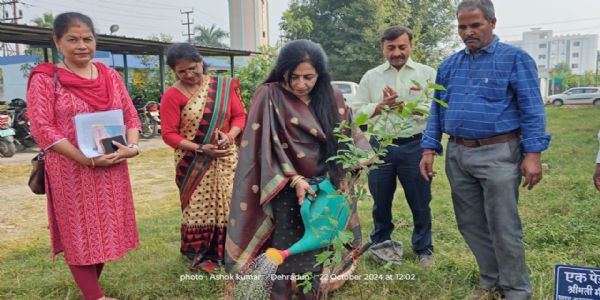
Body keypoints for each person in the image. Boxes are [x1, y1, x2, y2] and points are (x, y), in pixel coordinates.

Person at [419, 0, 551, 299]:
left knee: (504, 225)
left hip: (500, 153)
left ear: (492, 22)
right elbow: (436, 111)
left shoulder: (515, 59)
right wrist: (429, 149)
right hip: (457, 154)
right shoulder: (449, 65)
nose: (468, 32)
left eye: (475, 25)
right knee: (470, 224)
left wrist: (533, 154)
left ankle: (516, 289)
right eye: (462, 26)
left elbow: (532, 110)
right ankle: (490, 279)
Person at [225, 39, 370, 299]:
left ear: (320, 75)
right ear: (283, 72)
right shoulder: (269, 95)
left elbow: (350, 140)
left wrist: (357, 161)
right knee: (281, 253)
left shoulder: (333, 98)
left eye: (309, 77)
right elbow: (260, 147)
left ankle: (310, 295)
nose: (301, 84)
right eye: (294, 77)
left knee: (316, 248)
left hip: (323, 189)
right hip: (283, 188)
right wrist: (294, 179)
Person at [27, 12, 141, 300]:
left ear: (95, 41)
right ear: (57, 42)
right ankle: (95, 296)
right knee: (79, 233)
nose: (82, 45)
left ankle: (91, 290)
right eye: (73, 39)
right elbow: (42, 127)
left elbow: (131, 115)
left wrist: (132, 146)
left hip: (111, 166)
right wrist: (84, 158)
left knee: (103, 231)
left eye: (87, 39)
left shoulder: (110, 75)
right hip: (71, 169)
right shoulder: (46, 78)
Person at [349, 26, 436, 267]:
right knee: (381, 199)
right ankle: (381, 244)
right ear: (383, 49)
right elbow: (356, 114)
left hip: (416, 145)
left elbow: (438, 108)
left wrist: (408, 106)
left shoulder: (427, 74)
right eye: (391, 48)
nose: (397, 52)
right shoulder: (371, 77)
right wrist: (380, 106)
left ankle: (423, 249)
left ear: (411, 46)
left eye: (402, 47)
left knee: (420, 200)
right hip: (381, 147)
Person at [160, 43, 246, 272]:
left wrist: (229, 136)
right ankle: (199, 252)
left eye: (192, 68)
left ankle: (231, 250)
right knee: (198, 206)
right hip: (193, 162)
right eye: (181, 71)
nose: (189, 75)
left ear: (201, 62)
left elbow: (239, 116)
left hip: (226, 157)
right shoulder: (172, 95)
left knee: (229, 202)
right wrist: (200, 148)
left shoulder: (224, 87)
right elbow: (168, 134)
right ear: (174, 72)